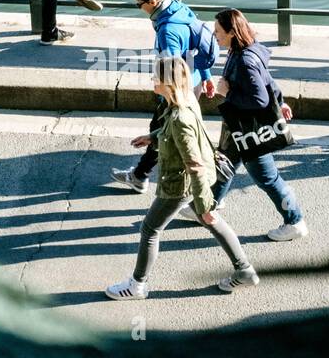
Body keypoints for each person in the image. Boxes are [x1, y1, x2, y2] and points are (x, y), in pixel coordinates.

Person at [106, 55, 259, 298]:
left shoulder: (180, 118)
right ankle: (244, 271)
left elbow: (194, 164)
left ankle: (137, 285)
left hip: (181, 183)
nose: (152, 79)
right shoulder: (185, 101)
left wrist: (204, 202)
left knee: (150, 229)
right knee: (212, 220)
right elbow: (177, 133)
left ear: (167, 82)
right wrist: (154, 137)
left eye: (156, 76)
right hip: (196, 181)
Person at [180, 8, 309, 241]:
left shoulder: (245, 60)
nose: (214, 34)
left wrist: (226, 93)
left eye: (218, 30)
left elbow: (259, 99)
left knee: (267, 178)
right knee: (224, 163)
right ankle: (207, 205)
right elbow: (267, 81)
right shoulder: (245, 50)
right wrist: (280, 102)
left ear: (231, 32)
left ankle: (295, 221)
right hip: (238, 126)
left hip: (249, 130)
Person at [110, 0, 216, 194]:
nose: (139, 8)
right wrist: (206, 76)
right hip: (194, 81)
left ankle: (141, 177)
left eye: (139, 4)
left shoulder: (168, 31)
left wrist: (163, 94)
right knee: (175, 131)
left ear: (152, 3)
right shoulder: (179, 9)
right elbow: (196, 47)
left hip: (177, 90)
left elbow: (172, 70)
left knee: (163, 132)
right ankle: (142, 174)